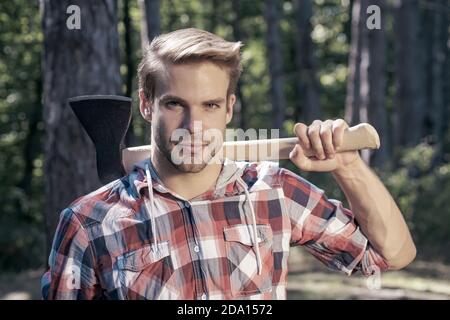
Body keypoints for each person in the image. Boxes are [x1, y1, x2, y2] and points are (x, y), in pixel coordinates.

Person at [41, 28, 416, 300]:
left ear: (230, 108)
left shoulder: (275, 192)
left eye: (210, 105)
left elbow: (391, 255)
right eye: (175, 105)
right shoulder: (89, 221)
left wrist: (347, 167)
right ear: (146, 104)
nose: (193, 127)